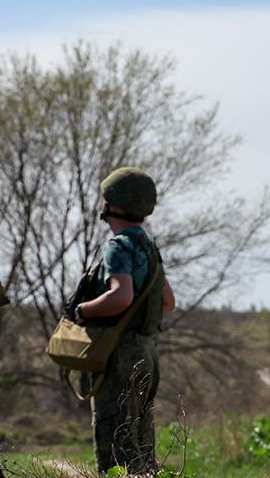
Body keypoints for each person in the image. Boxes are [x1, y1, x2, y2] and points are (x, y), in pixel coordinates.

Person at [71, 166, 176, 475]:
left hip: (120, 354)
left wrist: (83, 311)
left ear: (113, 204)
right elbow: (167, 302)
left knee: (115, 443)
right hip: (147, 353)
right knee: (141, 444)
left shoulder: (118, 246)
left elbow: (121, 296)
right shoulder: (148, 246)